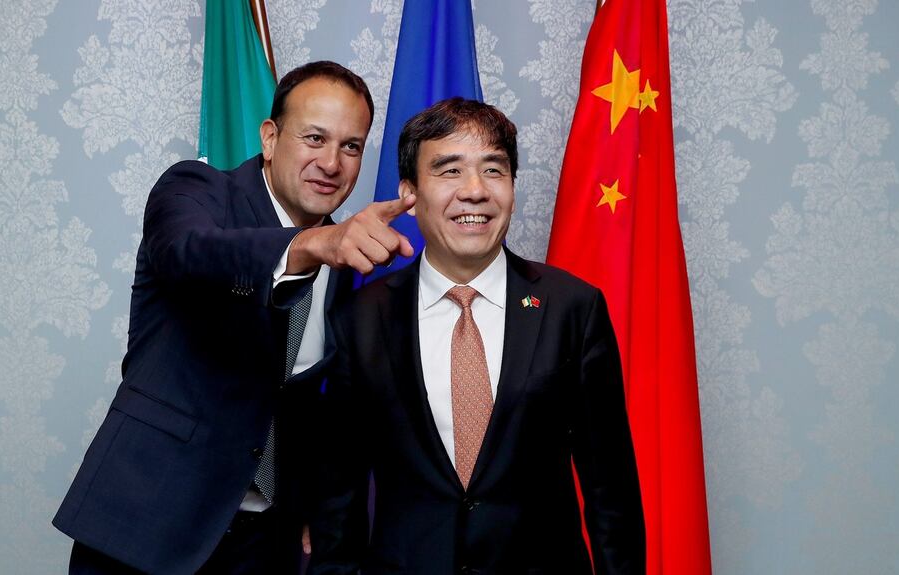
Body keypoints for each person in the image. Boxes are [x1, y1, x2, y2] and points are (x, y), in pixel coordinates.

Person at [53, 61, 415, 574]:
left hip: (262, 544)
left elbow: (307, 400)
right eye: (314, 138)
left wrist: (311, 505)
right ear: (270, 138)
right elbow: (188, 252)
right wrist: (309, 244)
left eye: (350, 146)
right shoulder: (196, 191)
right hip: (144, 525)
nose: (332, 162)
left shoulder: (349, 252)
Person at [309, 98, 646, 574]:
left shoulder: (573, 308)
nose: (475, 191)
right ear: (410, 192)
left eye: (494, 170)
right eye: (449, 171)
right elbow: (336, 503)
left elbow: (610, 491)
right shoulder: (360, 318)